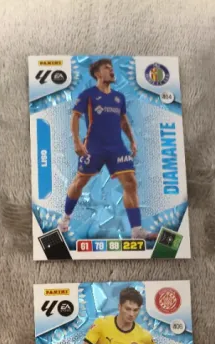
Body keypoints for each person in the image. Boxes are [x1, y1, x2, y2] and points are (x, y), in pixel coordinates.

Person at [57, 58, 157, 241]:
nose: (112, 71)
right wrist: (77, 142)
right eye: (107, 68)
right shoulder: (88, 95)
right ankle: (65, 218)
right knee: (79, 182)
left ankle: (136, 230)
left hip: (117, 147)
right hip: (93, 147)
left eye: (112, 68)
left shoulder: (119, 97)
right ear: (97, 74)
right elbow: (75, 116)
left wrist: (132, 141)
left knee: (130, 183)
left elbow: (123, 121)